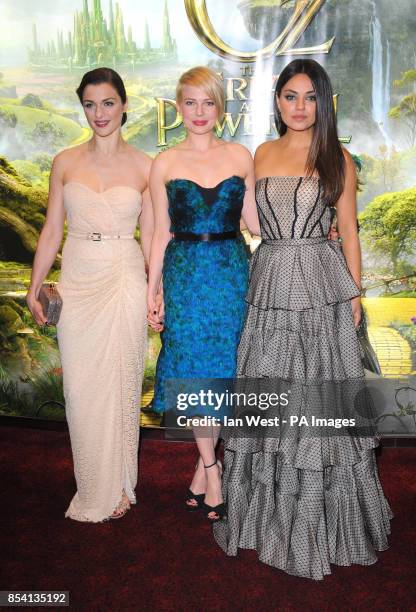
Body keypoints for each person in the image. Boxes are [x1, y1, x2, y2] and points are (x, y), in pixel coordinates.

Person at [214, 59, 393, 579]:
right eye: (290, 96)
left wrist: (354, 295)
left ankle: (320, 520)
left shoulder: (338, 158)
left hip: (321, 283)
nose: (298, 106)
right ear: (276, 101)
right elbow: (247, 219)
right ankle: (262, 518)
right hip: (269, 279)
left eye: (309, 97)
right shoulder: (261, 154)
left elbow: (351, 232)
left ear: (324, 103)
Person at [26, 67, 152, 522]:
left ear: (123, 105)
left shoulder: (144, 165)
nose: (99, 113)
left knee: (121, 384)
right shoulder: (65, 161)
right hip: (78, 277)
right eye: (90, 104)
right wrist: (35, 284)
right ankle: (93, 485)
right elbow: (51, 229)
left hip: (123, 277)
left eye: (108, 103)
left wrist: (154, 291)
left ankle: (118, 486)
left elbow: (155, 236)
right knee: (81, 392)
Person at [147, 66, 260, 522]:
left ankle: (200, 471)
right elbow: (159, 233)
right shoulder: (165, 163)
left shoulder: (240, 155)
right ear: (178, 108)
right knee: (196, 375)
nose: (199, 112)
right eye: (190, 103)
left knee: (224, 373)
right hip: (186, 276)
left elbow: (254, 224)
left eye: (208, 103)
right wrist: (151, 288)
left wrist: (308, 233)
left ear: (220, 107)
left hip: (232, 273)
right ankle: (214, 470)